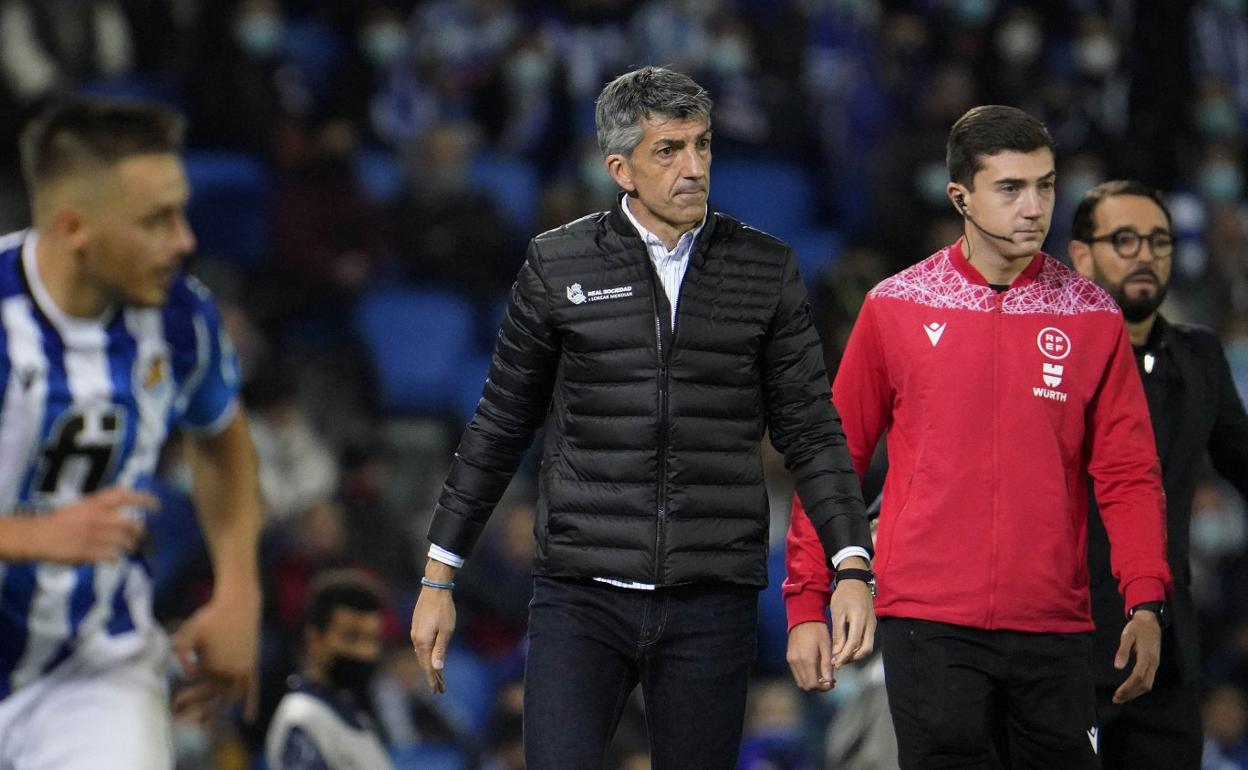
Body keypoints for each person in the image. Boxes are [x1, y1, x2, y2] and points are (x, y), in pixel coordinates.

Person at [409, 65, 874, 770]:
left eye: (703, 145)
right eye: (670, 150)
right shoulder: (556, 263)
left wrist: (850, 563)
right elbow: (501, 424)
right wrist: (439, 576)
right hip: (580, 596)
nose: (694, 167)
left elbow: (811, 427)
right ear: (619, 167)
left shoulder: (763, 269)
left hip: (710, 601)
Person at [784, 105, 1172, 769]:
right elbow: (832, 456)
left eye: (1046, 186)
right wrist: (807, 600)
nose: (1034, 207)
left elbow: (1128, 472)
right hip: (928, 623)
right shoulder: (896, 307)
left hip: (1053, 625)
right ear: (960, 197)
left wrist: (1146, 598)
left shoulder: (1091, 316)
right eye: (1011, 188)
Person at [0, 98, 261, 769]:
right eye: (156, 221)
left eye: (179, 211)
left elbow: (221, 436)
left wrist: (238, 589)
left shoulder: (182, 317)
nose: (184, 240)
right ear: (73, 227)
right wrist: (29, 536)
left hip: (88, 672)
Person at [1067, 179, 1248, 770]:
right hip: (1059, 651)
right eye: (1123, 240)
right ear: (1081, 256)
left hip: (1166, 654)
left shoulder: (1198, 355)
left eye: (1159, 241)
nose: (1145, 255)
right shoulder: (1044, 354)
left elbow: (1241, 460)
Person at [266, 569, 393, 770]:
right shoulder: (302, 719)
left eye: (373, 639)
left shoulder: (356, 715)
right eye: (351, 637)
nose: (365, 652)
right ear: (314, 640)